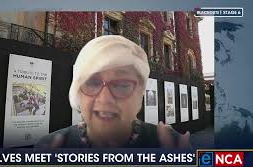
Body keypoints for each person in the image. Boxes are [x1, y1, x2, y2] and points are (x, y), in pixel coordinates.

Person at [34, 35, 190, 148]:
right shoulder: (49, 148)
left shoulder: (169, 147)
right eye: (92, 82)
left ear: (141, 93)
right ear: (77, 90)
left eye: (122, 84)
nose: (105, 98)